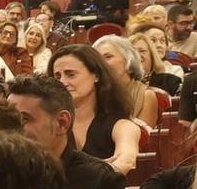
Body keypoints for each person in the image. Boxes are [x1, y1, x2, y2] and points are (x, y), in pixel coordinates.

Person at [6, 78, 129, 189]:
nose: (10, 128)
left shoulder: (102, 181)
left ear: (62, 123)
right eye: (8, 118)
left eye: (24, 119)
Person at [50, 45, 141, 175]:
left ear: (96, 75)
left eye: (71, 74)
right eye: (57, 77)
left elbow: (126, 160)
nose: (63, 82)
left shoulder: (122, 125)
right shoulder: (51, 124)